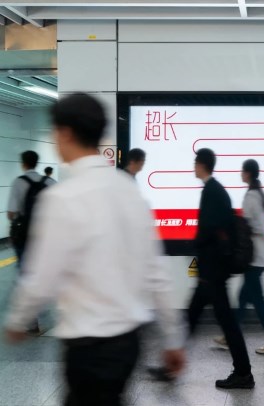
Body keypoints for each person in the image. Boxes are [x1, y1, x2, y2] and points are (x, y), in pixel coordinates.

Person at [3, 93, 185, 406]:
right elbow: (157, 272)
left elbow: (42, 276)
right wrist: (173, 337)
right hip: (129, 343)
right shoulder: (129, 191)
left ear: (66, 133)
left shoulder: (63, 198)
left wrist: (18, 320)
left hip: (88, 348)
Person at [187, 148, 254, 389]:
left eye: (195, 163)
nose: (193, 167)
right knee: (194, 317)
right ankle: (171, 364)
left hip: (212, 274)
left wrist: (198, 250)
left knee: (225, 322)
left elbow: (209, 232)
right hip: (212, 272)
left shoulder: (212, 191)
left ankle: (244, 373)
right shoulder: (216, 190)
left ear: (201, 164)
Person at [214, 159, 264, 355]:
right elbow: (263, 227)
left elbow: (258, 227)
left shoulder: (252, 196)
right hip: (258, 256)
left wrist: (241, 228)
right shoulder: (258, 194)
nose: (240, 174)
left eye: (242, 171)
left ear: (248, 173)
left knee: (258, 301)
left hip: (254, 258)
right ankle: (230, 336)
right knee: (244, 298)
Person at [7, 151, 56, 264]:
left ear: (23, 164)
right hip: (45, 232)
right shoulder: (50, 182)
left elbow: (10, 214)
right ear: (36, 163)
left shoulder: (18, 182)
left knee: (24, 265)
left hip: (24, 233)